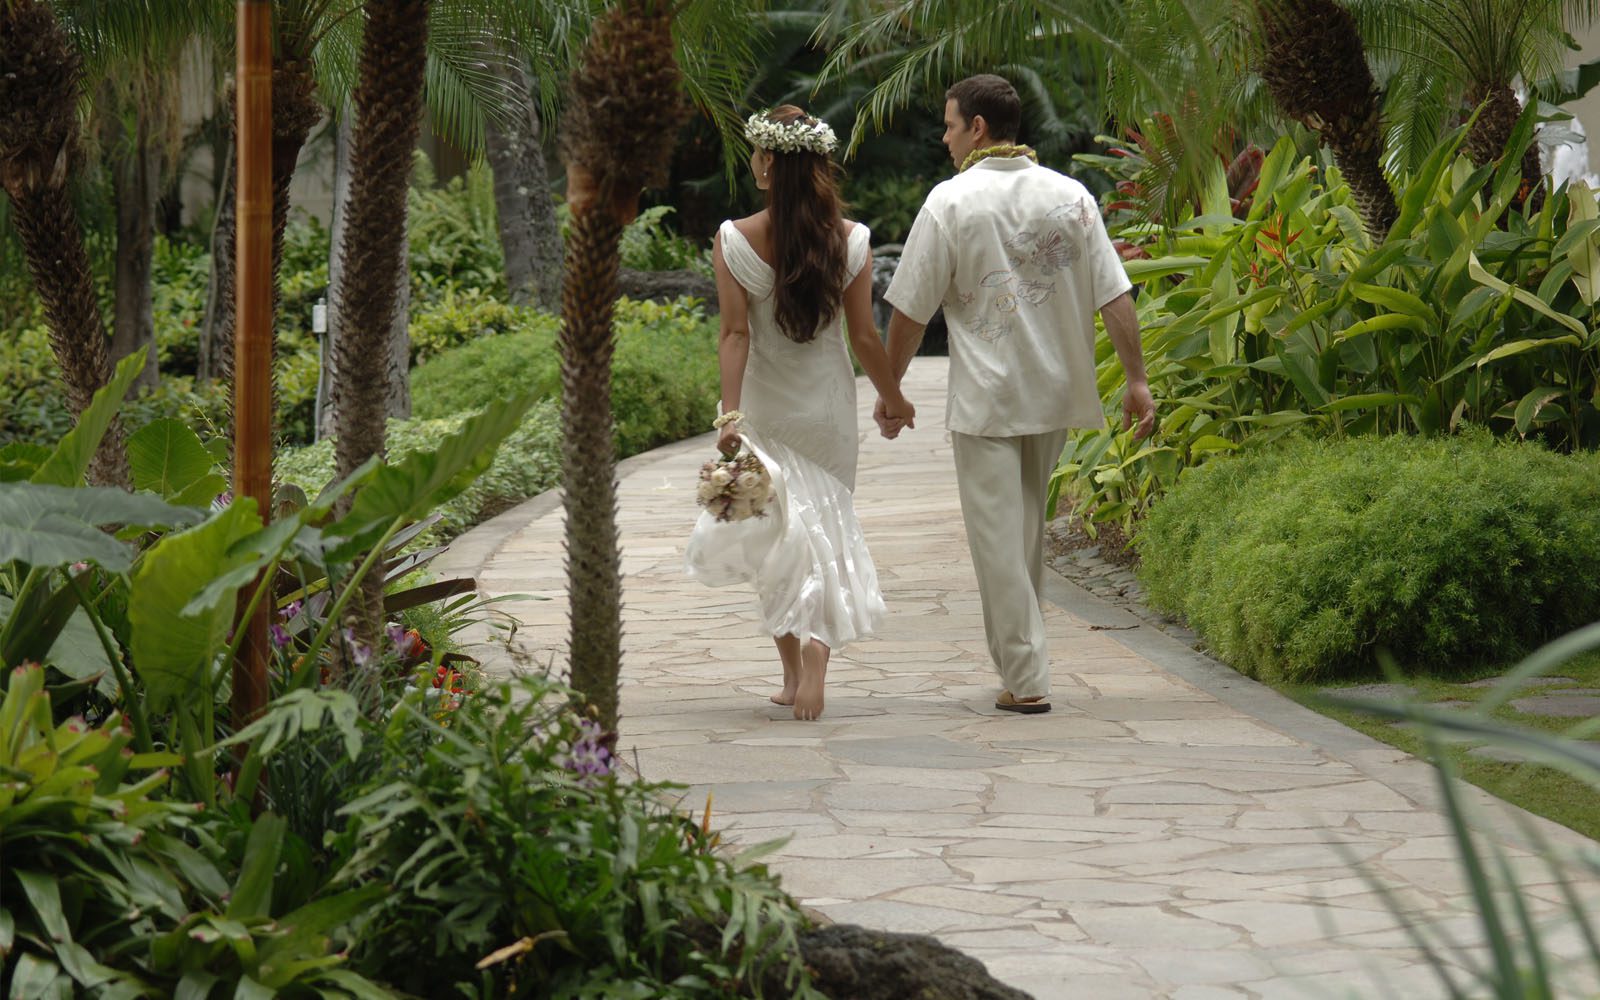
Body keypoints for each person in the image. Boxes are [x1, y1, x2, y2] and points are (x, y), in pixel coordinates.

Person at [877, 74, 1155, 715]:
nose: (944, 139)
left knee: (999, 539)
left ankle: (1027, 678)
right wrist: (1136, 379)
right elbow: (1115, 295)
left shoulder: (949, 202)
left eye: (949, 125)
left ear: (977, 127)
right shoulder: (1074, 196)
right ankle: (1019, 664)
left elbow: (911, 313)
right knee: (1023, 533)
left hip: (989, 397)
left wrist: (891, 391)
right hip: (1054, 390)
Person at [685, 105, 915, 721]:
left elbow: (735, 335)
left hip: (766, 408)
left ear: (767, 162)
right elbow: (866, 338)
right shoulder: (854, 239)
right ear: (817, 164)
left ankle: (791, 671)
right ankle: (813, 655)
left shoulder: (734, 239)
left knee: (773, 537)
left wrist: (728, 419)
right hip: (828, 411)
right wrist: (893, 399)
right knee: (827, 531)